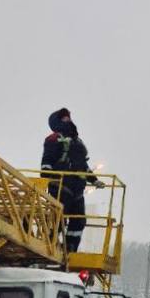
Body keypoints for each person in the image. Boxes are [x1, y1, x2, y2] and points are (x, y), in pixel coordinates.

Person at [41, 108, 97, 253]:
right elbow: (47, 160)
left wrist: (94, 180)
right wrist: (47, 175)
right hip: (61, 187)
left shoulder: (77, 142)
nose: (68, 120)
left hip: (77, 190)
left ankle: (71, 248)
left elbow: (83, 166)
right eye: (64, 118)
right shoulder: (54, 138)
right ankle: (49, 242)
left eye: (68, 118)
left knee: (79, 221)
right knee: (58, 219)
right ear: (57, 122)